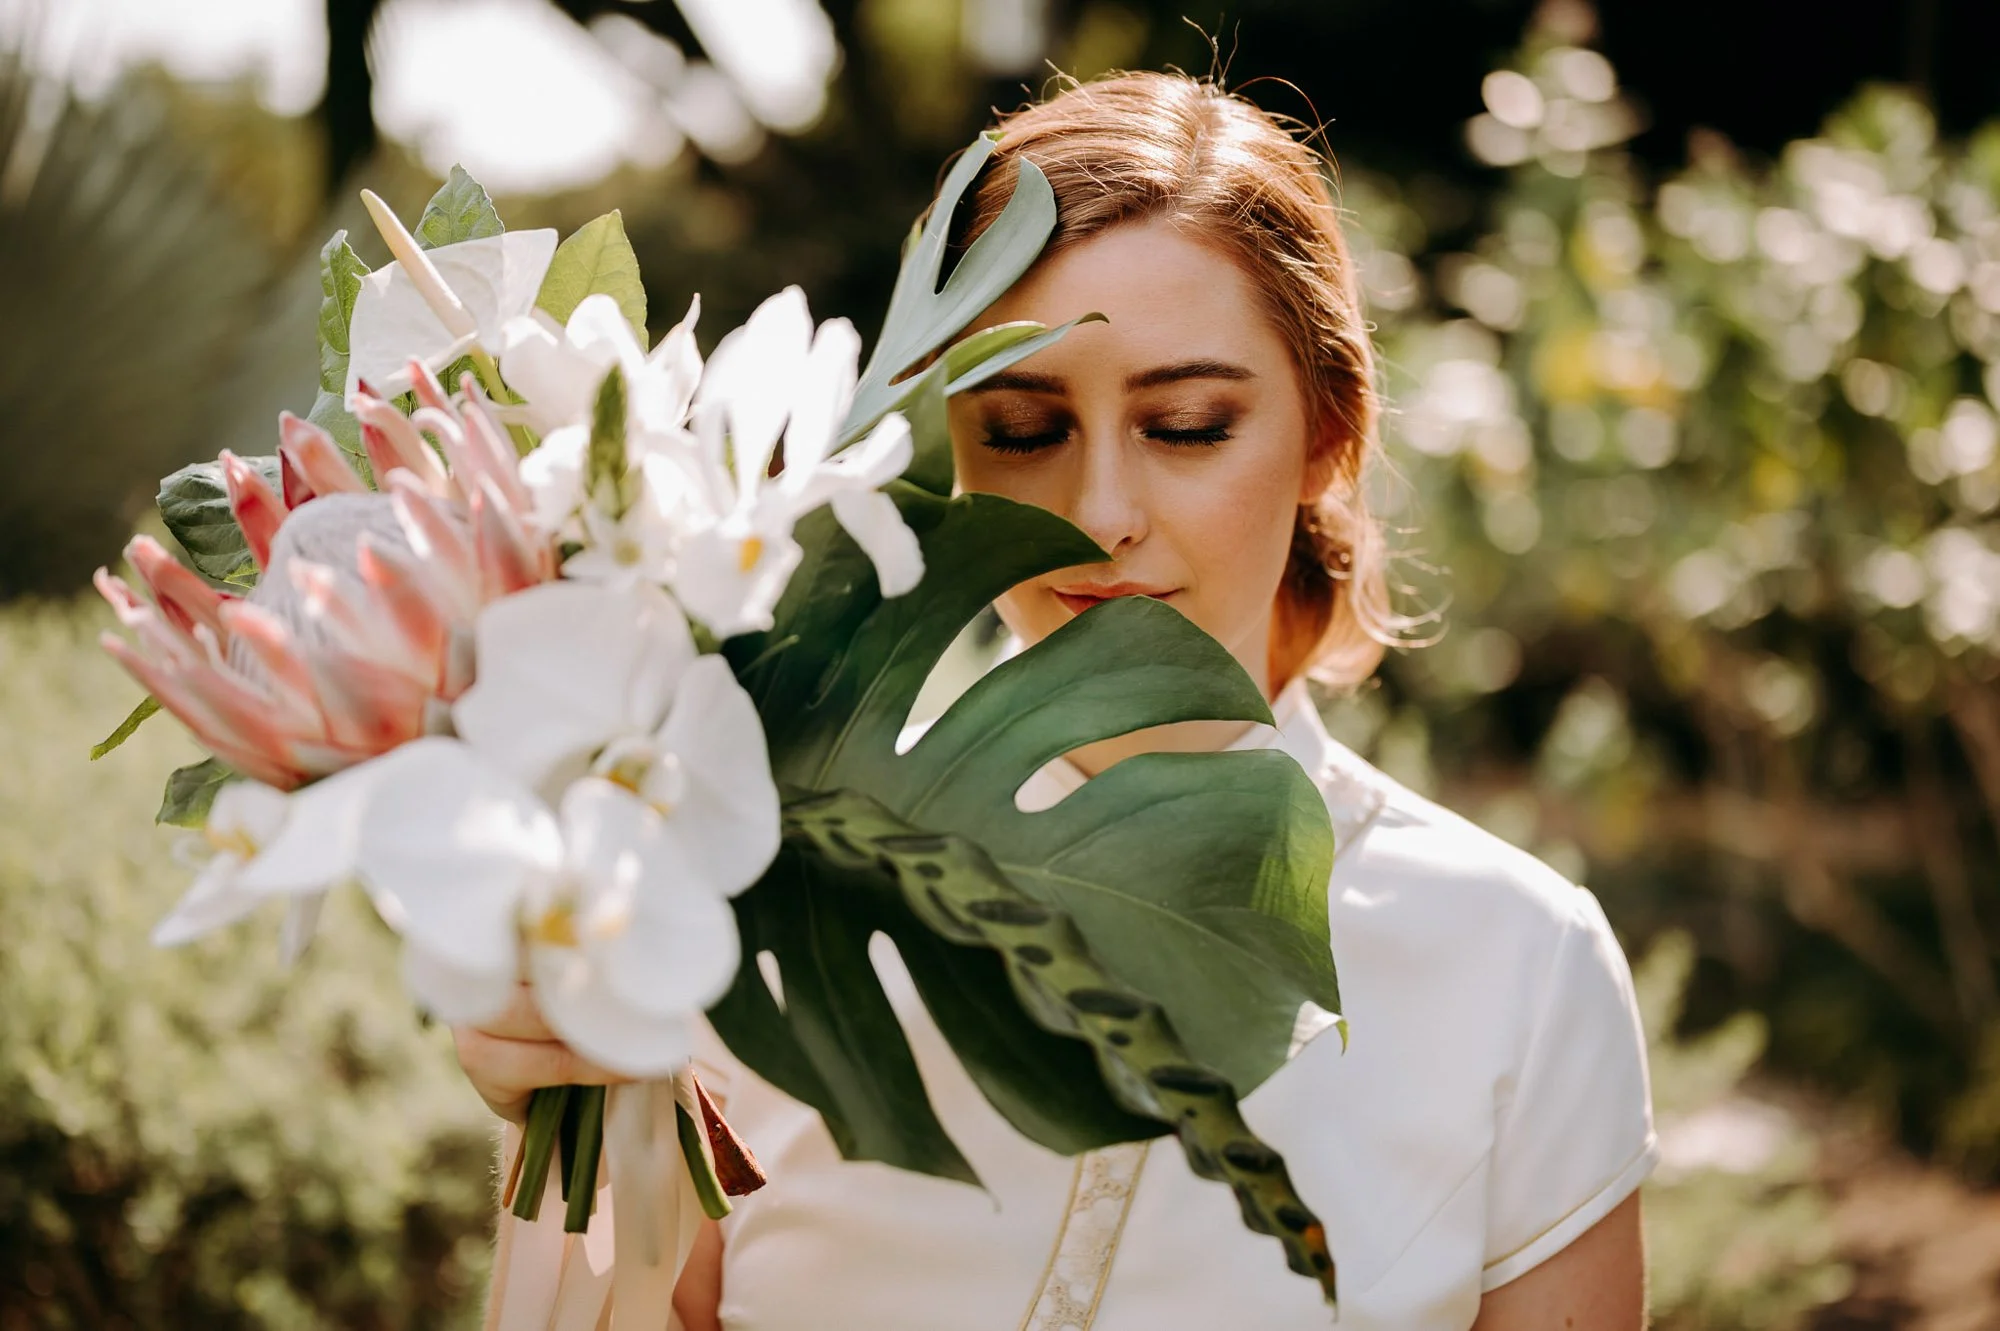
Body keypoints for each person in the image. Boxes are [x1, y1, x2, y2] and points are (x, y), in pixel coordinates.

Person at [455, 70, 1657, 1331]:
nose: (1100, 514)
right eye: (1025, 429)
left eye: (1184, 425)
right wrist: (572, 1114)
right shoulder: (730, 877)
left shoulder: (1519, 970)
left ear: (1327, 434)